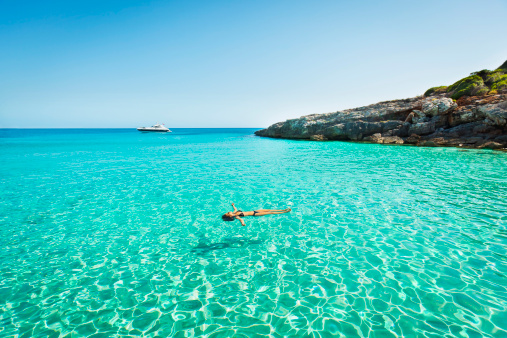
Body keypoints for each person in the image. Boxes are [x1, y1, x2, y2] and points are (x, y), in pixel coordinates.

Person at [222, 203, 291, 226]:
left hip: (254, 211)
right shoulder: (237, 216)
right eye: (228, 213)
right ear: (230, 216)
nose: (229, 212)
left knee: (268, 210)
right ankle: (285, 212)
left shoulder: (235, 212)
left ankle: (283, 210)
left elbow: (235, 209)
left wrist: (233, 205)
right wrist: (243, 224)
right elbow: (241, 220)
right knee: (270, 212)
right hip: (254, 214)